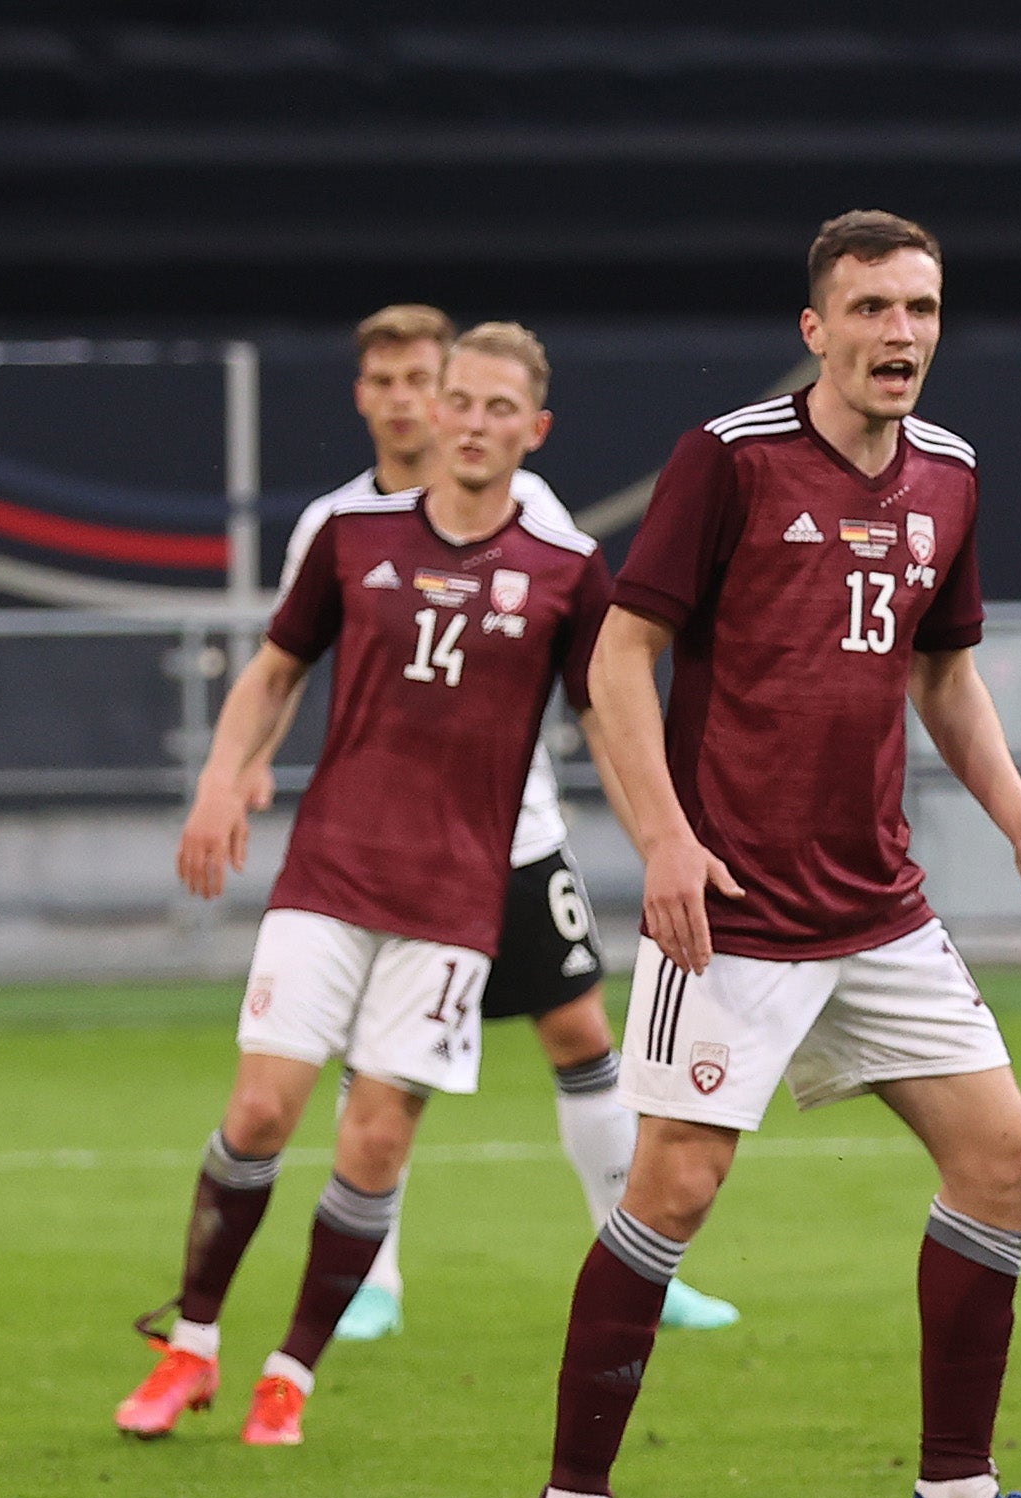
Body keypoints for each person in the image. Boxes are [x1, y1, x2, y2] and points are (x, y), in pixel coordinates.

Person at [518, 211, 1021, 1498]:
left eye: (921, 309)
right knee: (677, 1183)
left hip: (881, 905)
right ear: (816, 328)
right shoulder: (728, 461)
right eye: (871, 310)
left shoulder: (952, 476)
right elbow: (619, 662)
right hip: (733, 905)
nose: (899, 334)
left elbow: (946, 676)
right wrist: (661, 841)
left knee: (1004, 1158)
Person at [126, 326, 615, 1450]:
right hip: (330, 874)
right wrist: (218, 779)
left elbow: (614, 720)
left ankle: (289, 1370)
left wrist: (677, 847)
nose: (476, 421)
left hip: (460, 900)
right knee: (258, 1110)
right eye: (461, 400)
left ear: (532, 431)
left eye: (503, 407)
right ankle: (190, 1343)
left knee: (380, 1139)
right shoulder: (348, 534)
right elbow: (277, 665)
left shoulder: (568, 566)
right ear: (431, 412)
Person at [245, 303, 737, 1345]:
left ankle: (635, 1252)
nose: (410, 402)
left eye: (426, 379)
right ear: (366, 397)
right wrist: (239, 768)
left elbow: (595, 672)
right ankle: (373, 1278)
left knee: (581, 1032)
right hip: (384, 852)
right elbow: (288, 662)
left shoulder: (533, 507)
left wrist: (656, 822)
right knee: (375, 1066)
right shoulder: (335, 523)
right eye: (386, 382)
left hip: (513, 839)